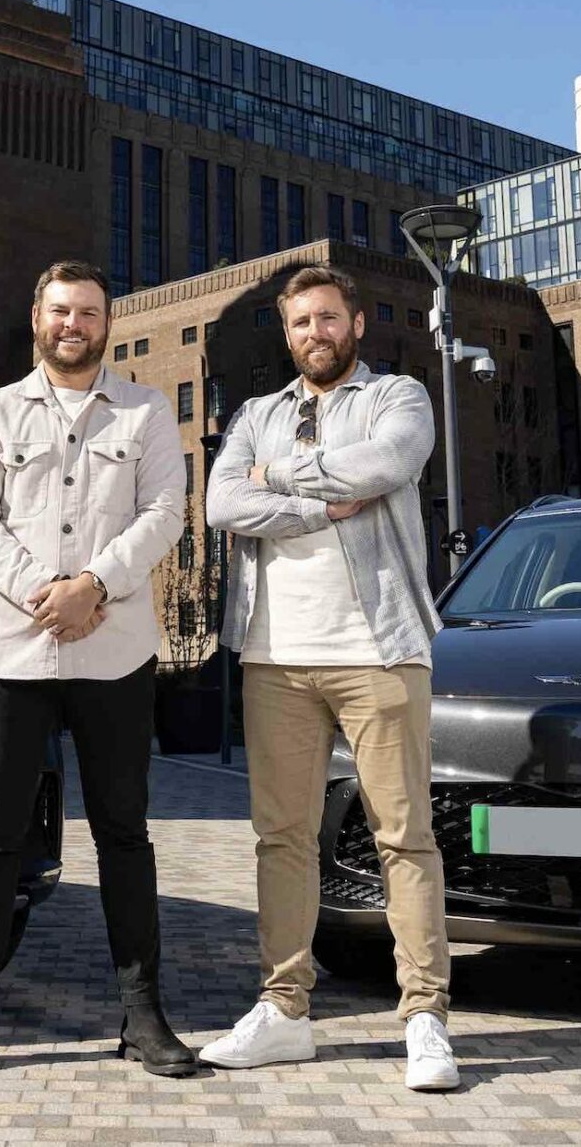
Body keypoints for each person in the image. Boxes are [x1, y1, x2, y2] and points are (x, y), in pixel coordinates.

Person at [0, 259, 197, 1081]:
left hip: (115, 652)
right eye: (61, 310)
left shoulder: (143, 413)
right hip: (12, 649)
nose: (75, 324)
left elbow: (165, 513)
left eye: (90, 312)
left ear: (109, 322)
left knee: (123, 834)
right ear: (37, 316)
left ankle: (143, 1016)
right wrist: (47, 592)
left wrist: (96, 586)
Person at [199, 263, 458, 1092]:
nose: (316, 332)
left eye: (329, 318)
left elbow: (381, 467)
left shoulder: (400, 398)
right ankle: (285, 1012)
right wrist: (310, 502)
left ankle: (424, 1017)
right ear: (287, 332)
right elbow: (220, 504)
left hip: (379, 649)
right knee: (283, 838)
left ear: (356, 323)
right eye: (301, 321)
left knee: (402, 835)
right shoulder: (255, 415)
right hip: (275, 655)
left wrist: (275, 477)